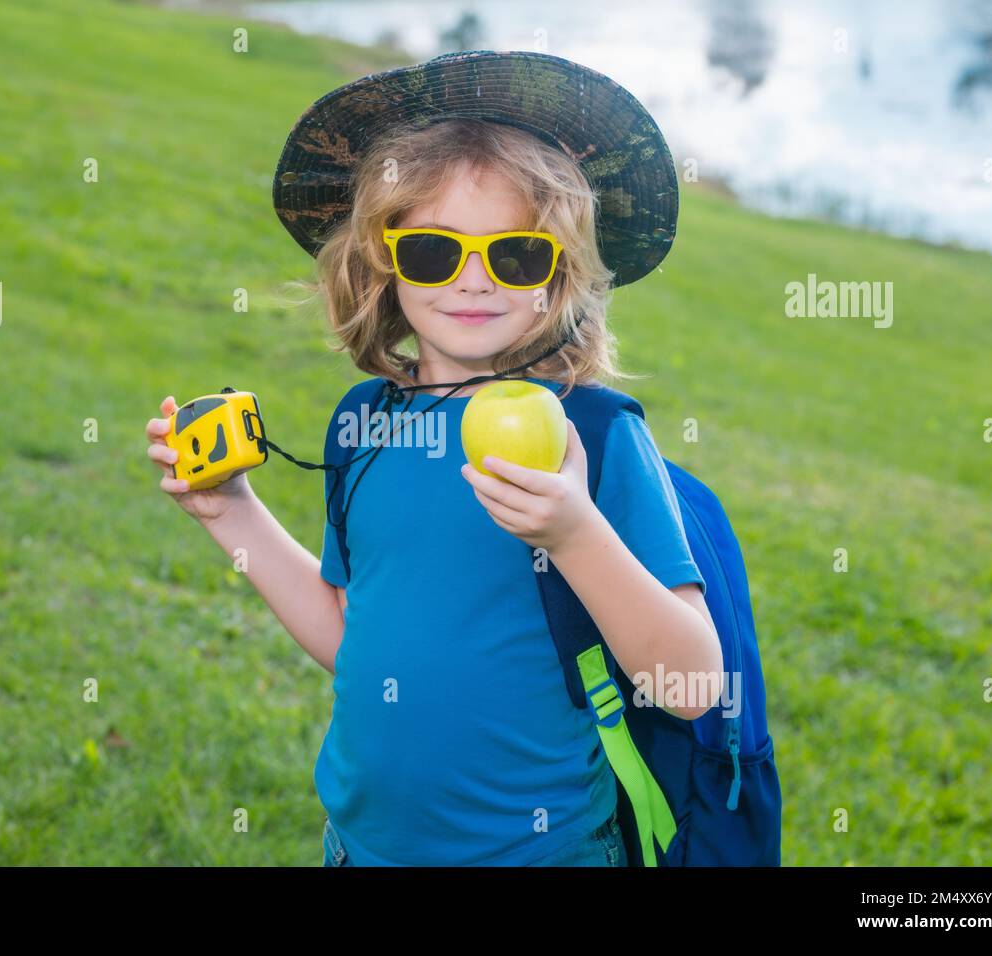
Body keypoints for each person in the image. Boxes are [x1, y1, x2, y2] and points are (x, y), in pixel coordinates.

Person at [145, 51, 721, 866]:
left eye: (515, 255)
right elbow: (353, 634)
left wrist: (574, 532)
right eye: (433, 253)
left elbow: (691, 684)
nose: (474, 281)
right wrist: (230, 511)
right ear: (383, 262)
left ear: (556, 277)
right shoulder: (362, 426)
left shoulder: (589, 436)